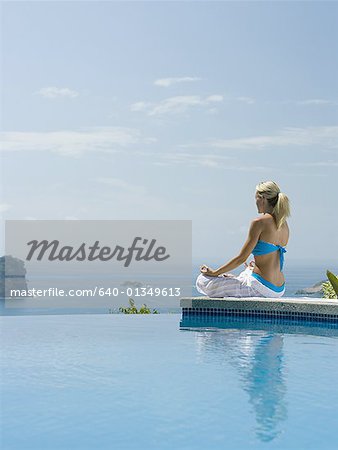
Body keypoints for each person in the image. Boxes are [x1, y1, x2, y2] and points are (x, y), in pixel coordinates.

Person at [196, 181, 291, 298]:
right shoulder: (283, 224)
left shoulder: (259, 222)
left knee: (203, 280)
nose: (255, 202)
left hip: (261, 288)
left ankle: (232, 279)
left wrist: (215, 273)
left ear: (262, 198)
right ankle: (238, 277)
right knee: (247, 271)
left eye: (256, 198)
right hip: (279, 288)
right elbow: (272, 257)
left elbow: (241, 258)